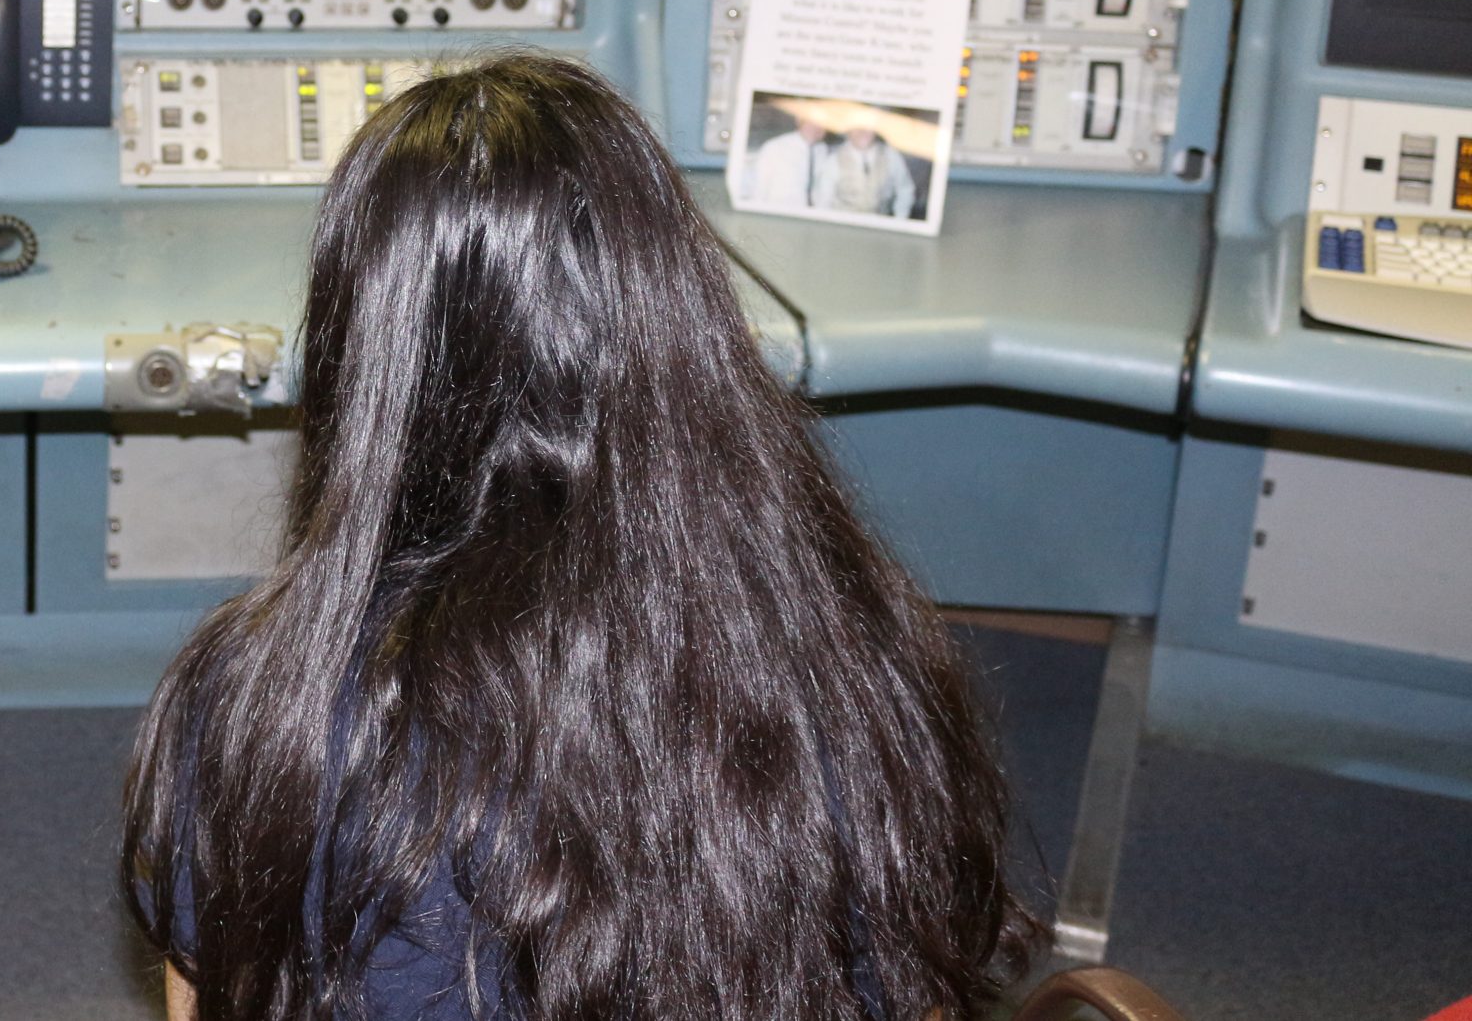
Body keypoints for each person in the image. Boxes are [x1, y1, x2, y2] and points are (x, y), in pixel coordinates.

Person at [122, 52, 1036, 1021]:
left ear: (362, 347)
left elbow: (211, 994)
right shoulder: (859, 657)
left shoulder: (265, 703)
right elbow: (920, 981)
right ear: (678, 306)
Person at [823, 120, 921, 220]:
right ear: (848, 131)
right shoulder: (834, 159)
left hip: (880, 222)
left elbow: (905, 189)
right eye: (856, 128)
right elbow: (823, 199)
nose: (862, 132)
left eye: (867, 126)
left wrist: (900, 218)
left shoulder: (891, 155)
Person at [739, 107, 830, 209]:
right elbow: (758, 189)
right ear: (799, 121)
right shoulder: (775, 147)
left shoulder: (823, 150)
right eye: (812, 122)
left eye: (822, 123)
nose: (817, 127)